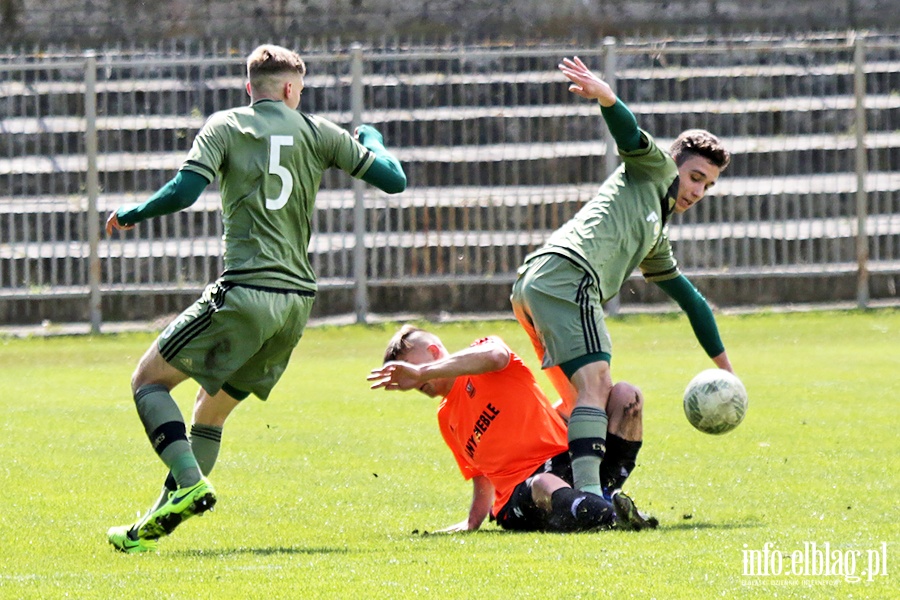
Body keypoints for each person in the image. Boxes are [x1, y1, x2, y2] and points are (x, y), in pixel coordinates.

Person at [105, 44, 407, 553]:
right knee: (210, 413)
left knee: (148, 382)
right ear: (292, 89)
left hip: (246, 291)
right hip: (295, 307)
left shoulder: (225, 125)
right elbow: (394, 180)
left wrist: (132, 213)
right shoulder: (319, 131)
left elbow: (184, 191)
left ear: (251, 88)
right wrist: (372, 137)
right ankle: (150, 528)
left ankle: (191, 483)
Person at [510, 56, 735, 497]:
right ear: (677, 164)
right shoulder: (656, 169)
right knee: (596, 384)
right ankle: (591, 499)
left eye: (707, 186)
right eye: (695, 177)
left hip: (534, 285)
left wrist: (728, 372)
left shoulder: (655, 239)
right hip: (569, 275)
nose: (696, 190)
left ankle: (533, 481)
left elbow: (691, 300)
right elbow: (628, 133)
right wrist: (608, 98)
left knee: (582, 403)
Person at [368, 325, 657, 533]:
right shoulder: (446, 418)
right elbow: (481, 477)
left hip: (570, 464)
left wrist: (422, 372)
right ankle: (615, 516)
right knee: (545, 483)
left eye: (405, 367)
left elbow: (496, 356)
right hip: (520, 496)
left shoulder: (483, 352)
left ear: (433, 351)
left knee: (626, 395)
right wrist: (472, 522)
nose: (405, 379)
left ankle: (596, 503)